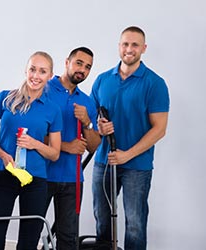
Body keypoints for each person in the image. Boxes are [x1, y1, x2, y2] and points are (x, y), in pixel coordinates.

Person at [90, 26, 170, 250]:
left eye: (135, 44)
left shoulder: (154, 83)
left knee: (134, 224)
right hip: (104, 162)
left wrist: (127, 155)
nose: (129, 49)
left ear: (143, 48)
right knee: (102, 219)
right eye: (125, 44)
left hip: (137, 165)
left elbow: (159, 128)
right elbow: (89, 120)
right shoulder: (102, 80)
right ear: (119, 47)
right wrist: (99, 128)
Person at [0, 51, 62, 250]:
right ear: (26, 70)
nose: (36, 76)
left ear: (50, 76)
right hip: (4, 174)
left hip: (35, 180)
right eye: (33, 69)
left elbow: (55, 153)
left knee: (28, 240)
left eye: (42, 72)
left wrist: (35, 144)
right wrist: (2, 154)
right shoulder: (4, 98)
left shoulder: (53, 110)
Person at [44, 47, 101, 250]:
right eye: (79, 63)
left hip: (72, 179)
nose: (82, 70)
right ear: (67, 61)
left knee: (68, 238)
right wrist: (66, 146)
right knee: (31, 231)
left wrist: (87, 123)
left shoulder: (86, 102)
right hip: (41, 174)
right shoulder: (44, 89)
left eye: (88, 67)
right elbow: (31, 132)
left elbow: (94, 146)